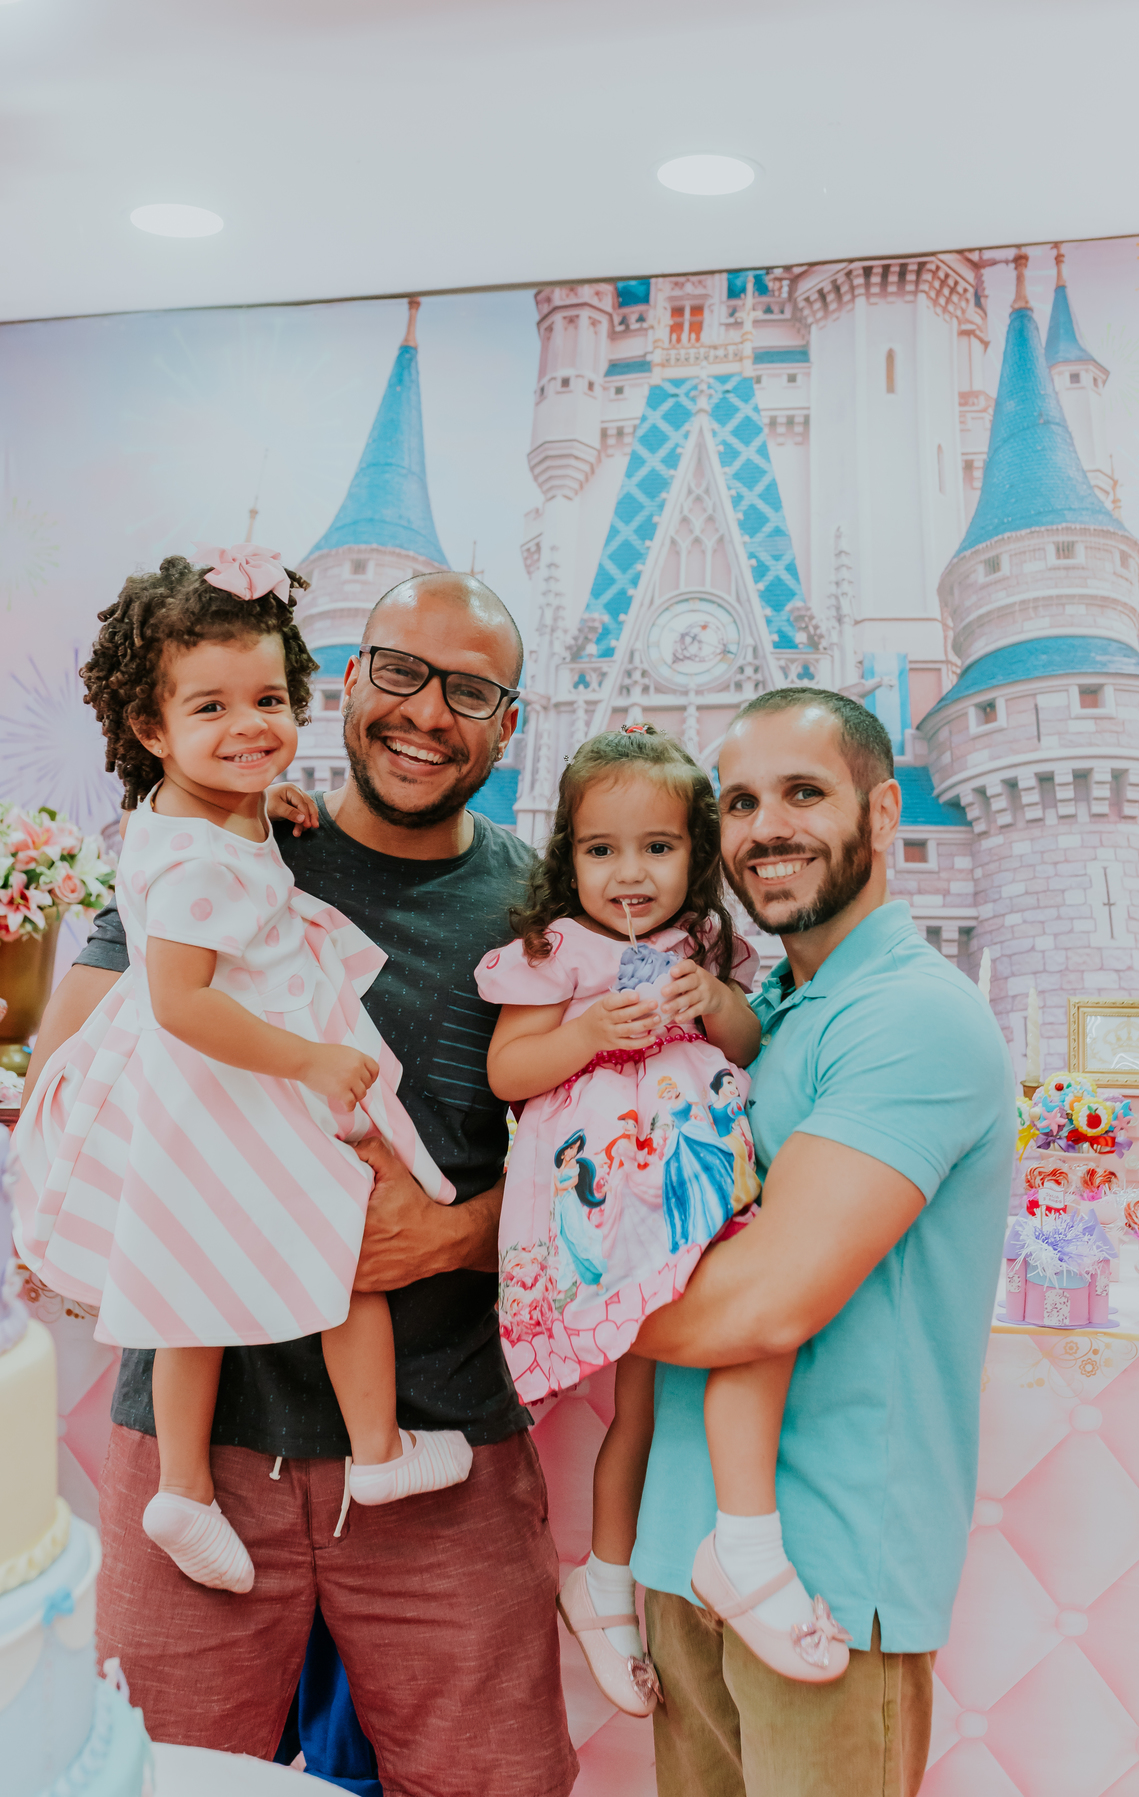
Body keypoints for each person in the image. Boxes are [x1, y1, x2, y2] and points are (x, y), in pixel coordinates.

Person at [23, 566, 577, 1797]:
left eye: (470, 689)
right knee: (145, 1778)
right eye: (399, 672)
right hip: (201, 1451)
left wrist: (451, 1234)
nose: (427, 712)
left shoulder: (542, 907)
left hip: (442, 1441)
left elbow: (598, 1174)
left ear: (510, 722)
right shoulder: (227, 841)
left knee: (495, 1780)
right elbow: (73, 1069)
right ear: (349, 683)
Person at [12, 548, 476, 1599]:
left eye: (268, 698)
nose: (250, 725)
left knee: (192, 1285)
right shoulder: (190, 860)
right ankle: (370, 1453)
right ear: (149, 729)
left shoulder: (210, 817)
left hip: (211, 1086)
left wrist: (271, 813)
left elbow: (230, 846)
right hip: (224, 1078)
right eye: (211, 707)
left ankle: (191, 1487)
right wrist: (312, 1059)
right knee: (333, 1237)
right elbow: (180, 1001)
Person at [630, 687, 1015, 1797]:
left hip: (826, 1577)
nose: (766, 828)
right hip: (683, 1555)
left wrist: (536, 1293)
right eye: (740, 803)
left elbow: (765, 1304)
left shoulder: (912, 1016)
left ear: (883, 812)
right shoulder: (775, 1015)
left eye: (804, 792)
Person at [477, 726, 849, 1724]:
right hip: (602, 1206)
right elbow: (508, 1074)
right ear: (569, 856)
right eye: (602, 850)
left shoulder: (705, 947)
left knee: (748, 1340)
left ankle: (726, 1541)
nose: (629, 873)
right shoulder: (553, 952)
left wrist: (718, 999)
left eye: (656, 847)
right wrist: (587, 1030)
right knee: (635, 1412)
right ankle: (604, 1584)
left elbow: (747, 1038)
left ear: (695, 853)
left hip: (698, 1194)